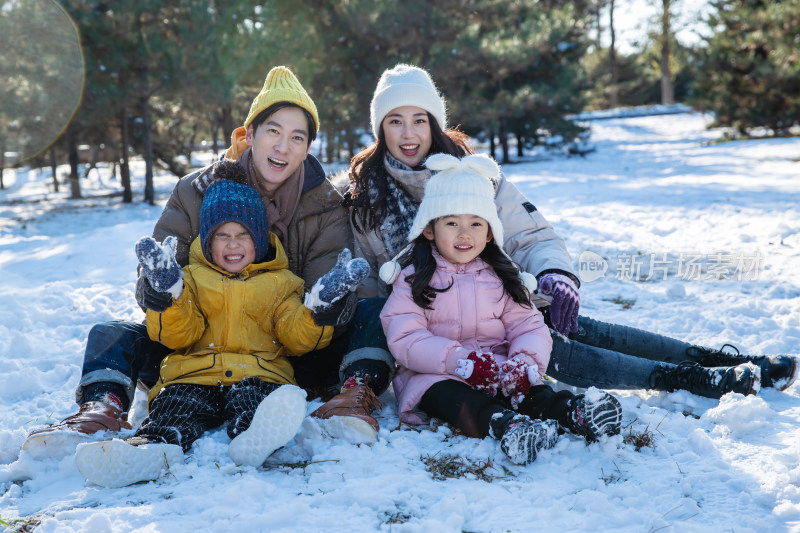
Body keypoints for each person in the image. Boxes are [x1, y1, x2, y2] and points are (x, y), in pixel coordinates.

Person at [309, 63, 795, 439]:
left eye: (420, 119)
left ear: (435, 122)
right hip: (435, 332)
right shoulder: (361, 197)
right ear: (379, 129)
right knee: (560, 354)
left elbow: (530, 234)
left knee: (574, 326)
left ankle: (713, 358)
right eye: (395, 121)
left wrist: (555, 274)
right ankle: (687, 379)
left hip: (499, 304)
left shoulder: (478, 173)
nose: (409, 133)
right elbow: (369, 287)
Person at [23, 66, 355, 453]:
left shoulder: (324, 205)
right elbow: (160, 273)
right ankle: (102, 408)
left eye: (297, 137)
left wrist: (327, 303)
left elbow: (322, 289)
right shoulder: (195, 192)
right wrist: (161, 289)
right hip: (195, 343)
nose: (283, 146)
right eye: (274, 132)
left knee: (366, 313)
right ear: (250, 135)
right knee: (111, 333)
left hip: (281, 349)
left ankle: (343, 399)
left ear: (308, 148)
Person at [75, 176, 369, 488]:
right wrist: (170, 297)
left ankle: (256, 438)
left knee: (257, 402)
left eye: (243, 234)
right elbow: (178, 336)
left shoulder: (282, 283)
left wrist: (316, 311)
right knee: (175, 407)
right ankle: (152, 449)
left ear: (259, 239)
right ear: (207, 241)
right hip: (192, 376)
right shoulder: (190, 278)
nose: (232, 243)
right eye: (222, 235)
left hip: (257, 374)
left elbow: (294, 336)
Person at [379, 153, 622, 465]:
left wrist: (523, 362)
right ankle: (505, 426)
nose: (464, 234)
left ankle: (575, 413)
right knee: (452, 398)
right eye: (451, 222)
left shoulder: (501, 276)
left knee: (530, 391)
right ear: (430, 230)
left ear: (490, 232)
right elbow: (406, 338)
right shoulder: (413, 279)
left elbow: (529, 326)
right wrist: (460, 361)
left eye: (475, 224)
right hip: (436, 374)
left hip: (497, 368)